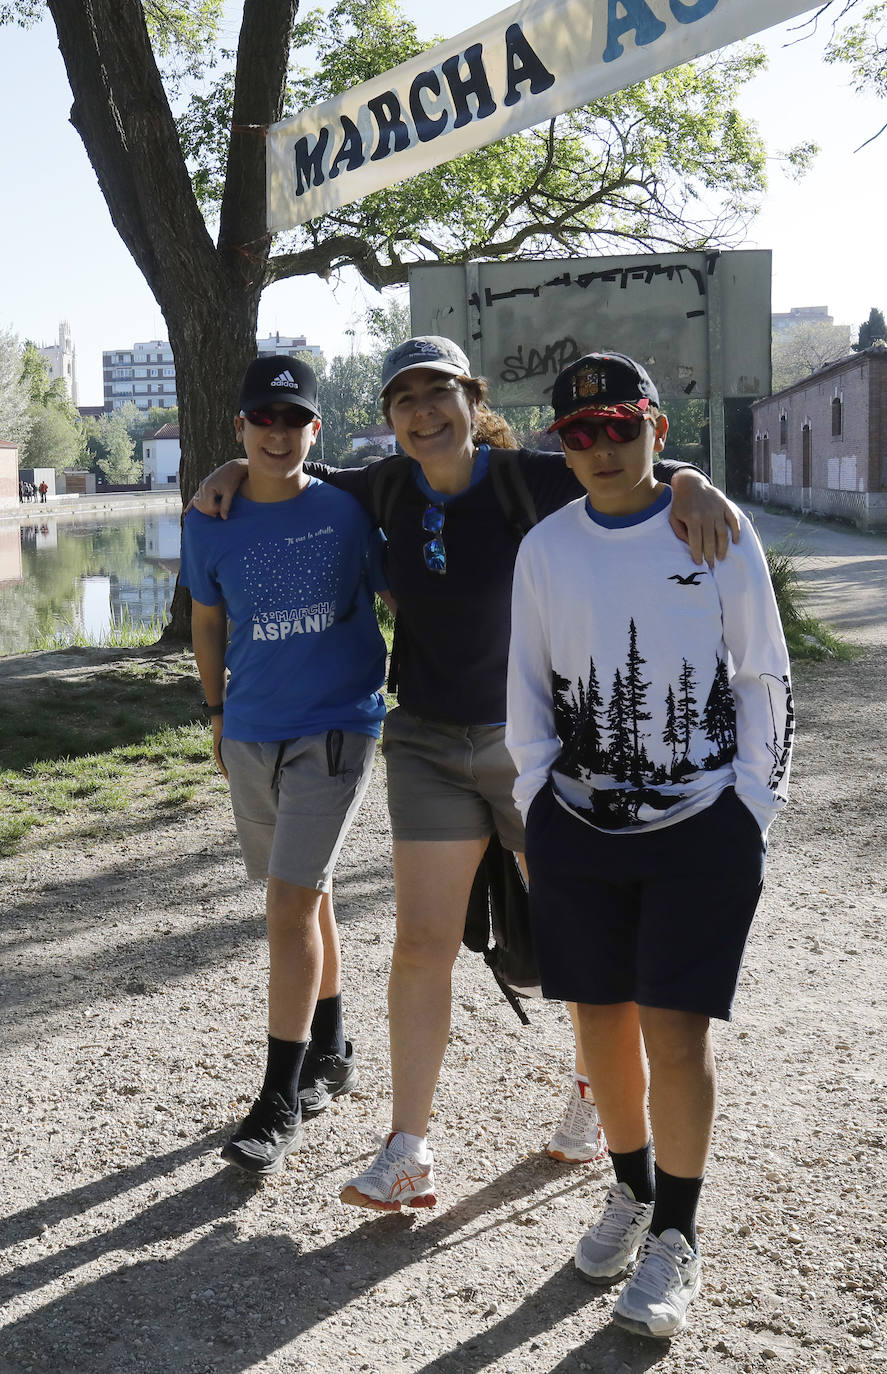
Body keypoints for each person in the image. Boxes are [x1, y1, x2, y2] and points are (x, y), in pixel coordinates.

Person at [193, 336, 739, 1210]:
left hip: (539, 748)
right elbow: (290, 465)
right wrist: (225, 465)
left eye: (437, 393)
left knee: (578, 942)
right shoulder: (387, 487)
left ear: (469, 398)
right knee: (419, 945)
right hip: (427, 742)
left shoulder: (534, 476)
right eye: (404, 399)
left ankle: (599, 1095)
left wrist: (692, 482)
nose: (422, 412)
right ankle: (408, 1148)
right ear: (390, 419)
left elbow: (630, 465)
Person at [506, 351, 793, 1337]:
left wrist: (752, 802)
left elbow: (762, 672)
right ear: (560, 445)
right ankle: (626, 1192)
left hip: (700, 823)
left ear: (655, 431)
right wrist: (535, 798)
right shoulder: (545, 548)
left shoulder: (712, 526)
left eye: (619, 428)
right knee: (597, 1026)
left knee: (673, 1032)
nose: (598, 449)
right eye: (577, 435)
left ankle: (676, 1233)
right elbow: (530, 691)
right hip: (576, 824)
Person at [180, 355, 388, 1177]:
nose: (277, 433)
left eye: (292, 419)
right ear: (240, 429)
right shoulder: (211, 518)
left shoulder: (347, 512)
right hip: (251, 728)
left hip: (335, 728)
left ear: (316, 428)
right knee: (310, 889)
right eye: (261, 420)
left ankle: (278, 1095)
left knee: (288, 903)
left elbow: (407, 593)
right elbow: (206, 620)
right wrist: (217, 713)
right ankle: (332, 1043)